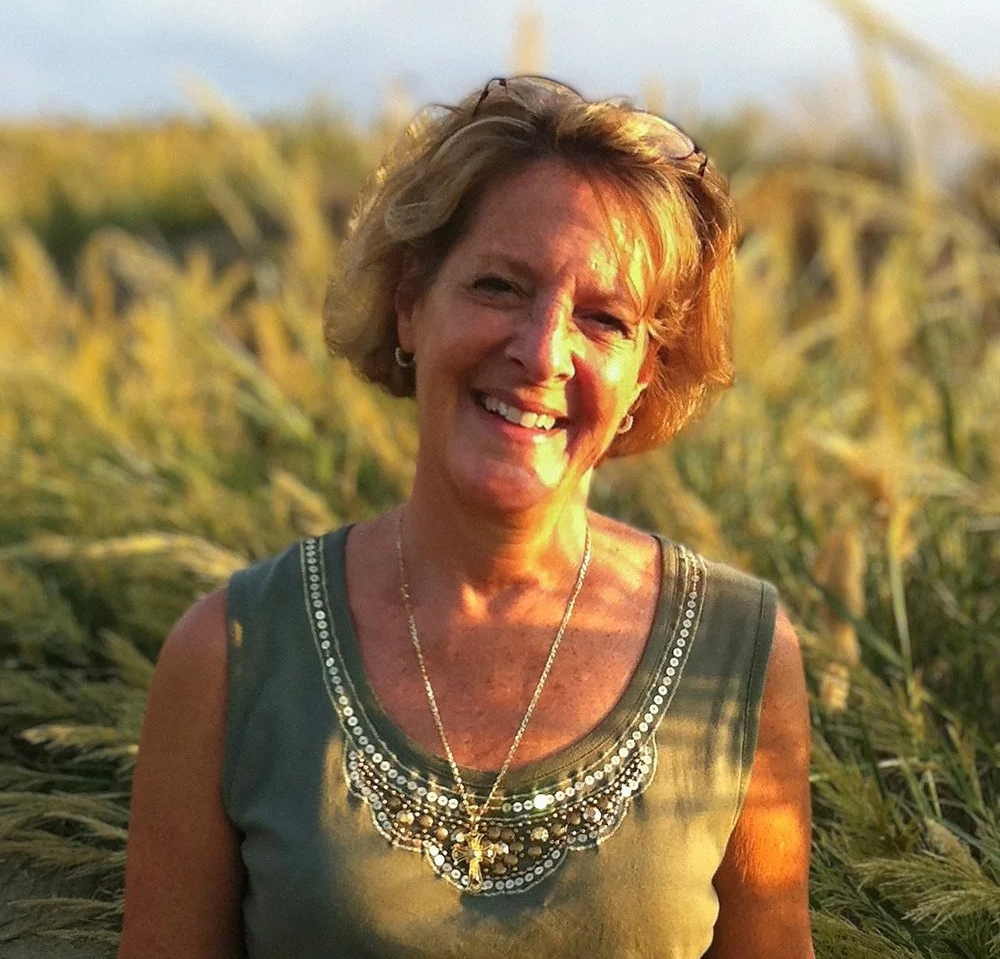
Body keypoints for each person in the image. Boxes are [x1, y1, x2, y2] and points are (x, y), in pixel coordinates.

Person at [120, 76, 814, 959]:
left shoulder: (740, 655)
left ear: (648, 372)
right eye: (499, 286)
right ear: (410, 303)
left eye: (603, 319)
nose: (541, 352)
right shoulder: (231, 655)